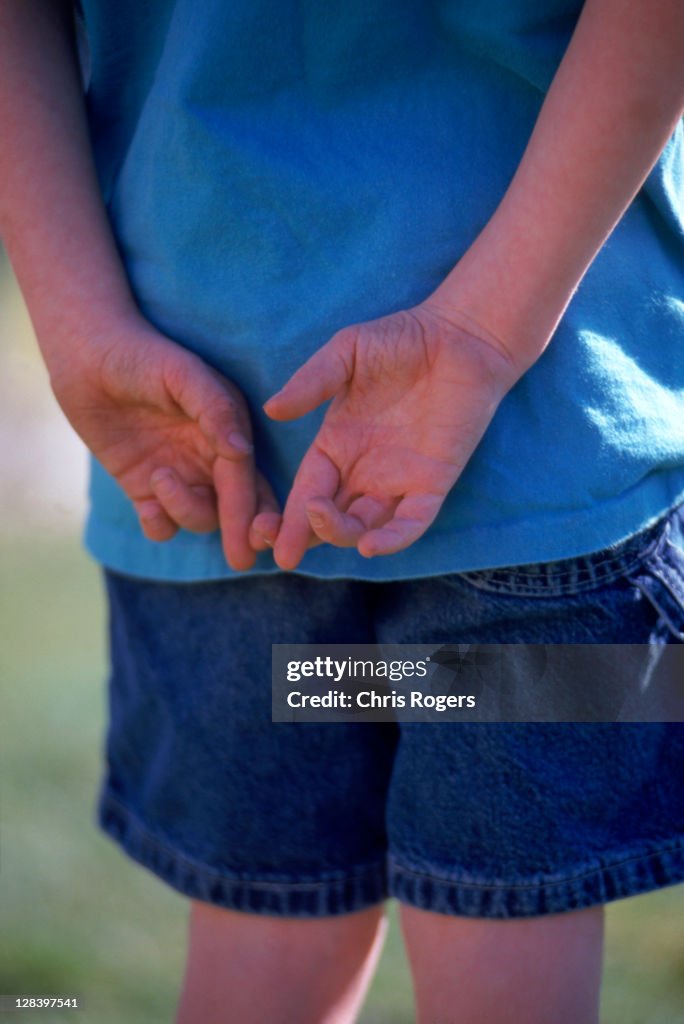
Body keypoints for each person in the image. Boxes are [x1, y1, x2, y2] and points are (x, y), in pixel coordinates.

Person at [1, 0, 684, 1021]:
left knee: (257, 969)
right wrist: (478, 340)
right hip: (534, 445)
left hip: (198, 436)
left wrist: (76, 319)